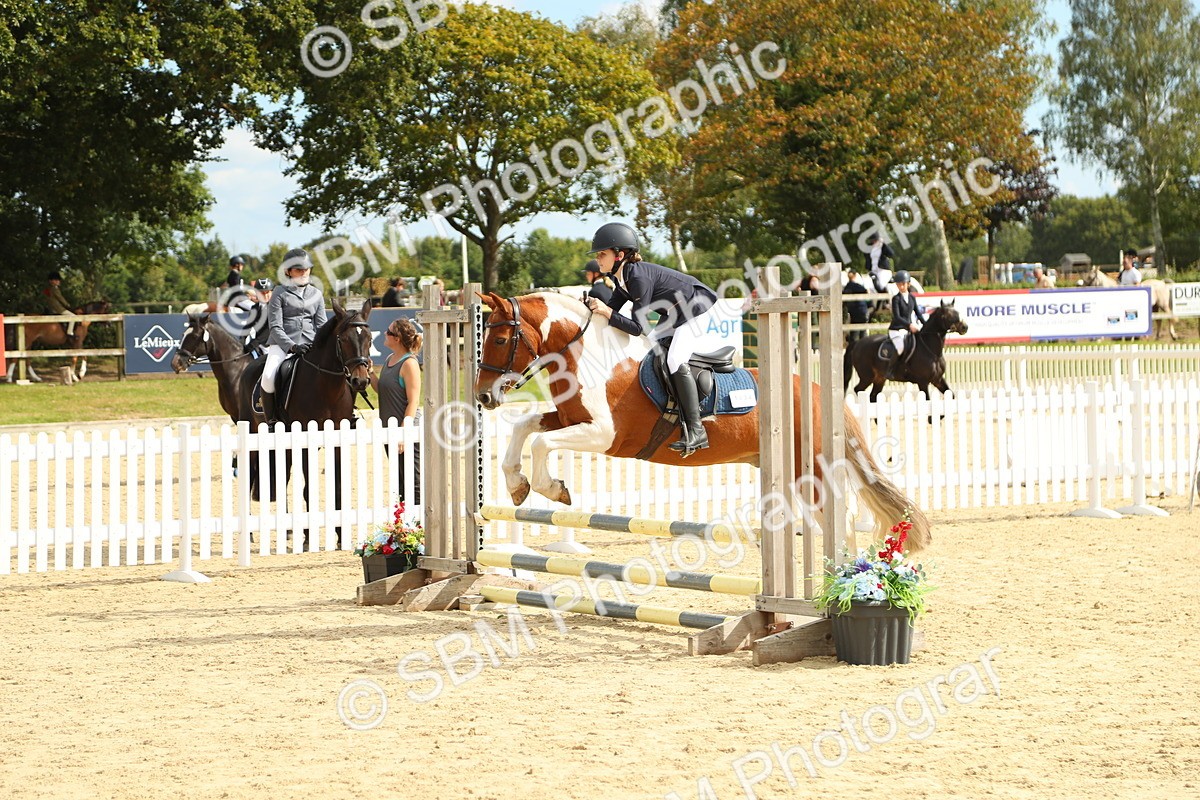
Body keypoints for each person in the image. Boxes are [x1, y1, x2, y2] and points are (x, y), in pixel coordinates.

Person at [584, 222, 722, 456]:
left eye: (602, 254)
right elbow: (611, 312)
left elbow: (637, 327)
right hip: (675, 311)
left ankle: (697, 429)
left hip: (696, 305)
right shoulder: (621, 277)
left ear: (619, 255)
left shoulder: (637, 277)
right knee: (651, 350)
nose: (598, 259)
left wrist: (606, 312)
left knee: (675, 359)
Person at [259, 249, 327, 425]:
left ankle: (347, 412)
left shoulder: (317, 294)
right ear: (288, 271)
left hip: (311, 343)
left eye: (306, 269)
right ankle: (272, 419)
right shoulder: (279, 292)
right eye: (298, 269)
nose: (304, 272)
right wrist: (291, 346)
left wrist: (322, 345)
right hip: (282, 344)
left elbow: (321, 325)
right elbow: (275, 326)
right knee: (268, 377)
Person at [370, 317, 423, 504]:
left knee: (413, 480)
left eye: (389, 331)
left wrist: (404, 431)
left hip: (406, 430)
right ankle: (404, 526)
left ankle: (416, 526)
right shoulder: (389, 360)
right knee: (400, 480)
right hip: (390, 430)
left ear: (397, 338)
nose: (385, 333)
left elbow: (413, 401)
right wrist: (370, 373)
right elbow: (382, 390)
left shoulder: (409, 364)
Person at [886, 270, 925, 377]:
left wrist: (926, 325)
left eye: (903, 284)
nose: (901, 286)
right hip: (896, 329)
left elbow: (918, 313)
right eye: (898, 284)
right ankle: (890, 370)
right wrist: (909, 325)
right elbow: (897, 317)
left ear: (908, 284)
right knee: (901, 347)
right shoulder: (896, 299)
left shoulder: (912, 298)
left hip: (908, 329)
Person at [42, 271, 77, 337]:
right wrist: (67, 305)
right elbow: (60, 298)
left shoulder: (48, 289)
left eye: (58, 280)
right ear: (51, 281)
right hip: (57, 309)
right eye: (56, 280)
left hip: (50, 308)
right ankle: (70, 332)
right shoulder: (54, 289)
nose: (58, 281)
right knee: (73, 317)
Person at [843, 269, 870, 345]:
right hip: (861, 310)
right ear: (855, 276)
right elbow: (866, 292)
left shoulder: (847, 287)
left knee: (854, 332)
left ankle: (853, 348)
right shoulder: (858, 286)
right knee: (862, 332)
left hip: (852, 311)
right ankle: (863, 348)